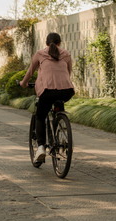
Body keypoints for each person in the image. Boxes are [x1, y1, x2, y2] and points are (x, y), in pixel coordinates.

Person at [20, 32, 75, 164]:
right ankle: (59, 119)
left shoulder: (40, 53)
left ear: (46, 43)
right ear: (59, 43)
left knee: (40, 116)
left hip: (47, 91)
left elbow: (30, 72)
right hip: (67, 90)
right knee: (57, 101)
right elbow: (68, 72)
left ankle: (40, 148)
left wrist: (23, 83)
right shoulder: (66, 54)